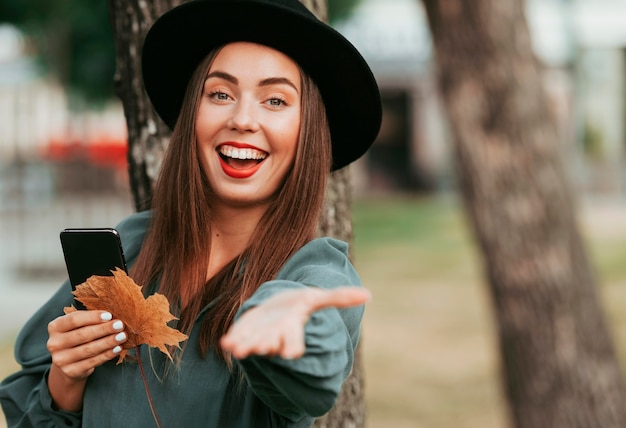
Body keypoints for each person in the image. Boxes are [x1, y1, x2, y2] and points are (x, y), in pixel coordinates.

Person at [0, 0, 382, 426]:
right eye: (220, 93)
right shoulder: (129, 249)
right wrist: (66, 380)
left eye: (275, 100)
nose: (242, 119)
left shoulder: (312, 273)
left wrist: (283, 329)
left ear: (307, 131)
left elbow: (312, 372)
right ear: (191, 116)